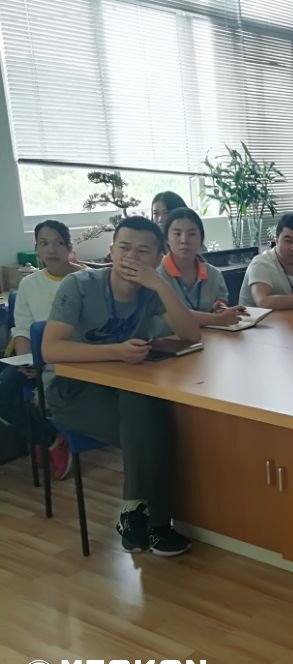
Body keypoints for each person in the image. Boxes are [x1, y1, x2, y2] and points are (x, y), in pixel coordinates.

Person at [42, 216, 202, 556]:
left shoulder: (151, 291)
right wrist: (115, 351)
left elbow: (191, 334)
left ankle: (135, 516)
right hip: (72, 390)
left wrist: (161, 286)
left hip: (125, 388)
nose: (131, 257)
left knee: (146, 406)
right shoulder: (79, 285)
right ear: (111, 250)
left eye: (143, 251)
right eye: (124, 248)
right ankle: (157, 525)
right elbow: (51, 349)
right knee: (154, 430)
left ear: (158, 257)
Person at [0, 220, 84, 479]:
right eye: (44, 243)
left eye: (58, 243)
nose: (51, 250)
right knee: (3, 390)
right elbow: (22, 328)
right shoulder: (29, 283)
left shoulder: (86, 279)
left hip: (74, 358)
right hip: (37, 359)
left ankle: (45, 439)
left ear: (69, 247)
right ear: (36, 248)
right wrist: (27, 360)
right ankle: (49, 439)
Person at [158, 208, 248, 326]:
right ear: (166, 239)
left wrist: (220, 309)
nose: (184, 240)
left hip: (210, 335)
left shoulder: (214, 275)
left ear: (201, 239)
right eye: (177, 234)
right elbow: (173, 315)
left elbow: (220, 305)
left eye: (192, 234)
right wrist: (216, 319)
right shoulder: (156, 275)